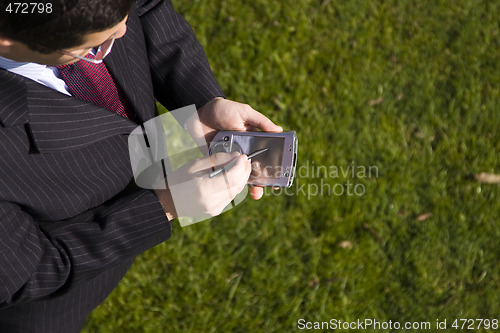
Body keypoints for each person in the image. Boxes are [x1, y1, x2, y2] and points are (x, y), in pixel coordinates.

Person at [0, 0, 281, 331]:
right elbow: (34, 268)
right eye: (94, 47)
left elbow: (148, 10)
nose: (123, 30)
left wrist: (203, 102)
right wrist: (163, 206)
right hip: (51, 303)